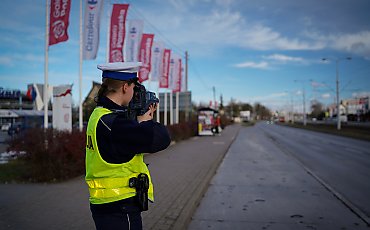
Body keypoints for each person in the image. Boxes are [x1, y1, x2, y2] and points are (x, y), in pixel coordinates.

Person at [85, 62, 171, 230]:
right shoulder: (115, 124)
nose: (134, 93)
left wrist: (137, 123)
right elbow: (162, 138)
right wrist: (145, 122)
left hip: (104, 204)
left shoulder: (99, 115)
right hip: (120, 207)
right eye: (134, 88)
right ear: (125, 87)